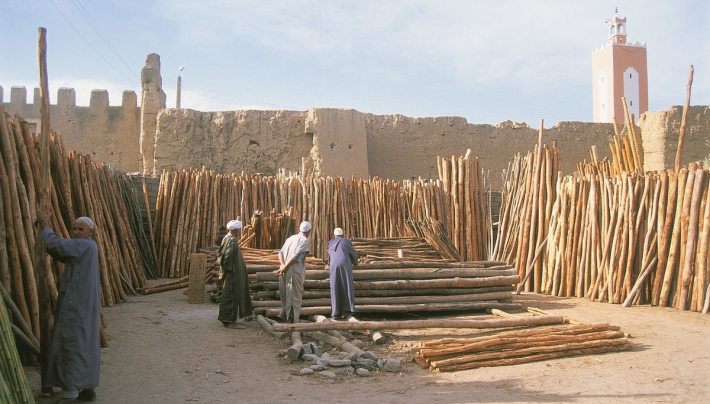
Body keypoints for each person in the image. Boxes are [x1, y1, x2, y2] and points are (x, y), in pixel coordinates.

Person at [37, 212, 100, 404]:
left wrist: (45, 226)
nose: (76, 232)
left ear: (90, 232)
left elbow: (57, 245)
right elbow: (61, 252)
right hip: (83, 304)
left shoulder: (83, 244)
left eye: (81, 229)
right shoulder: (88, 246)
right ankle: (88, 388)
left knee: (71, 344)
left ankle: (71, 394)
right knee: (85, 344)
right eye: (74, 228)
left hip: (76, 304)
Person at [217, 220, 253, 329]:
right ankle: (231, 322)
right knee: (232, 296)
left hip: (229, 272)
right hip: (232, 273)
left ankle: (225, 319)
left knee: (227, 296)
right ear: (236, 230)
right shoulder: (232, 240)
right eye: (238, 230)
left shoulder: (226, 239)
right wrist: (224, 271)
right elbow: (227, 256)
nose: (239, 232)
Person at [275, 221, 311, 323]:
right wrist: (284, 267)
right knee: (296, 296)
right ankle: (293, 322)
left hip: (284, 270)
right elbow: (296, 257)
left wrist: (282, 265)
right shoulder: (304, 240)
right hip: (294, 270)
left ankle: (285, 315)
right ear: (309, 231)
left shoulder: (290, 238)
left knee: (286, 293)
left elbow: (280, 253)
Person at [325, 227, 358, 320]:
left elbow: (330, 257)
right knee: (346, 285)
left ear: (334, 235)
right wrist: (355, 263)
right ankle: (347, 310)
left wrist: (328, 265)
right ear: (342, 234)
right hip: (345, 265)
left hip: (333, 267)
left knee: (335, 287)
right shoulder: (345, 242)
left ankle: (335, 313)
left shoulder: (331, 243)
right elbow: (353, 254)